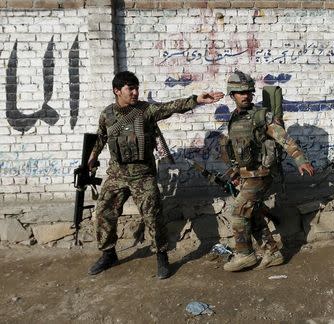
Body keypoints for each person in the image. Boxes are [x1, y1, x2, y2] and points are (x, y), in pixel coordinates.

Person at [87, 71, 224, 279]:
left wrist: (196, 100)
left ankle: (161, 256)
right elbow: (101, 137)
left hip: (143, 174)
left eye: (136, 88)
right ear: (117, 91)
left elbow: (171, 107)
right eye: (129, 89)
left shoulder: (146, 111)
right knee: (104, 212)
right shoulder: (107, 114)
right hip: (117, 173)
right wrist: (92, 156)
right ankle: (108, 254)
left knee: (153, 216)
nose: (135, 93)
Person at [222, 70, 315, 272]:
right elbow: (236, 149)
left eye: (248, 91)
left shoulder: (262, 116)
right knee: (252, 214)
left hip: (262, 174)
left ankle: (244, 255)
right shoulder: (234, 118)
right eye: (240, 92)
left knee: (238, 213)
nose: (245, 95)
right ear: (232, 95)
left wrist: (300, 160)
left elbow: (284, 138)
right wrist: (235, 172)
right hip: (248, 175)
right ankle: (272, 253)